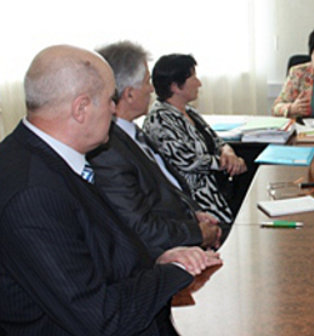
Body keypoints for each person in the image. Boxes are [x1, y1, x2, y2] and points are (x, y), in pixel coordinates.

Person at [0, 45, 221, 335]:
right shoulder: (33, 194)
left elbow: (94, 253)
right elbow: (100, 317)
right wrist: (172, 273)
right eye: (109, 100)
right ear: (81, 109)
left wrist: (155, 260)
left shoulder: (51, 158)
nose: (115, 109)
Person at [87, 41, 222, 255]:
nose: (152, 88)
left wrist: (196, 213)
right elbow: (141, 227)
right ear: (129, 94)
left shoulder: (133, 134)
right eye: (147, 81)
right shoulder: (108, 152)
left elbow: (169, 185)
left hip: (187, 228)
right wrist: (197, 232)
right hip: (169, 253)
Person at [144, 53, 247, 239]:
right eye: (193, 77)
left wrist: (228, 151)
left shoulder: (189, 111)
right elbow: (186, 160)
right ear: (175, 86)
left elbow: (215, 140)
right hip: (197, 202)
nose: (199, 83)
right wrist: (225, 163)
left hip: (219, 190)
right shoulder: (159, 120)